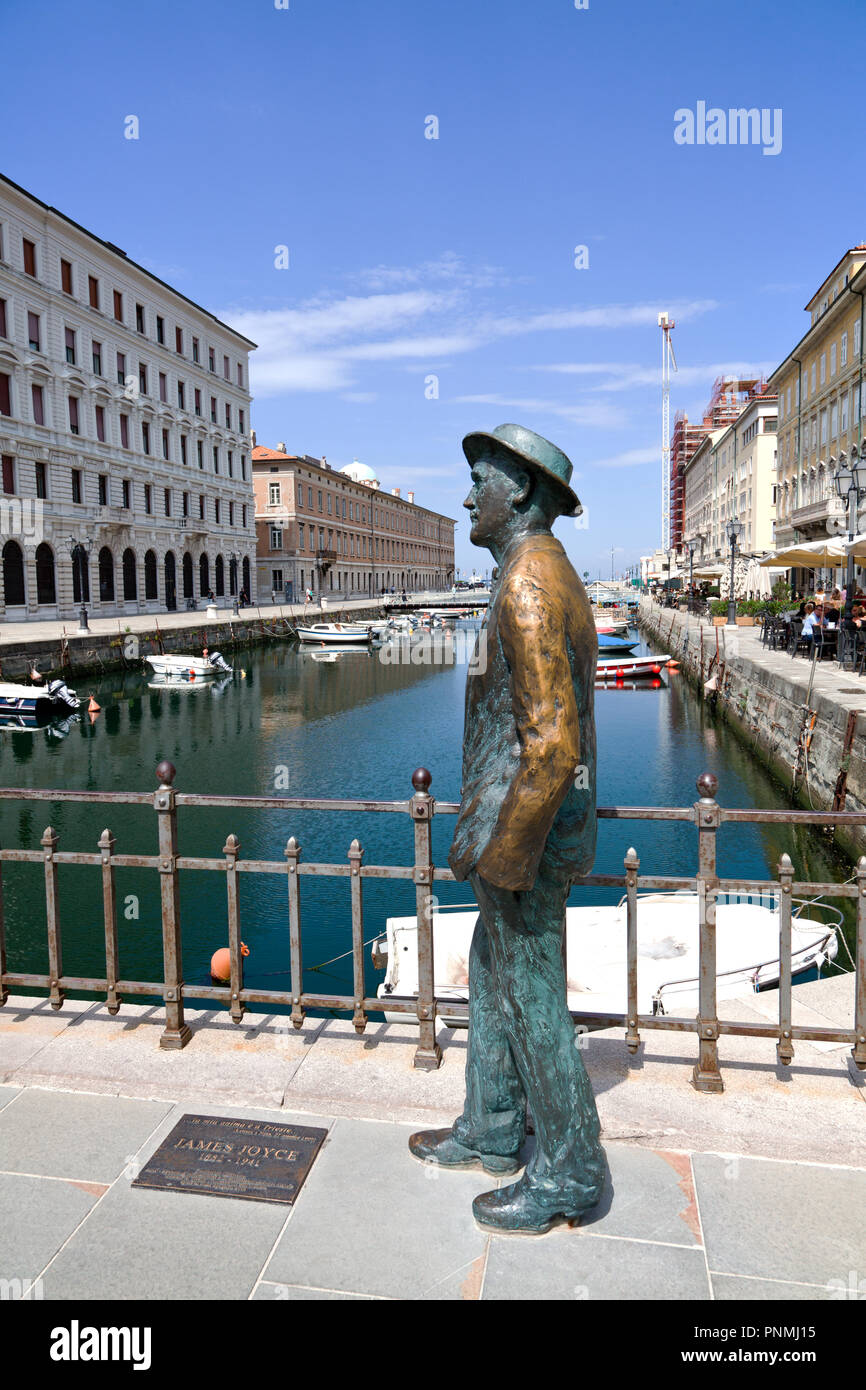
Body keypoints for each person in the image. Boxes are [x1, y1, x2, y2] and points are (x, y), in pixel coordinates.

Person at [408, 423, 605, 1234]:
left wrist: (510, 848)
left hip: (526, 824)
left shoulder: (525, 583)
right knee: (494, 969)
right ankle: (491, 1128)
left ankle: (569, 1168)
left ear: (518, 491)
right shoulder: (543, 570)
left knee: (530, 992)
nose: (466, 497)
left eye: (478, 481)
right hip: (520, 815)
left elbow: (552, 744)